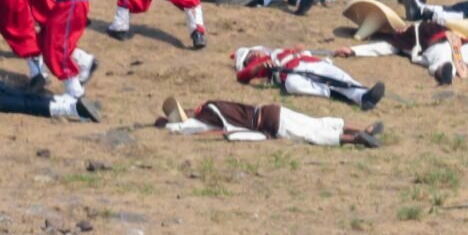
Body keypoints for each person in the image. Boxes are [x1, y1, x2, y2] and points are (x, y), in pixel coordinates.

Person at [156, 94, 383, 148]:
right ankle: (361, 128)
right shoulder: (213, 104)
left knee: (310, 135)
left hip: (271, 123)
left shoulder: (208, 115)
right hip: (274, 110)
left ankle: (355, 140)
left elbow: (190, 129)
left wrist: (168, 126)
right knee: (315, 122)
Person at [230, 45, 385, 110]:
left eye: (253, 51)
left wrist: (298, 48)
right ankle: (338, 94)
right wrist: (258, 67)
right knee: (293, 84)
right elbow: (242, 77)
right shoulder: (258, 65)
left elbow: (303, 49)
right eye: (250, 56)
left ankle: (365, 96)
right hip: (290, 72)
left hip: (309, 62)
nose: (255, 54)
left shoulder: (276, 52)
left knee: (336, 74)